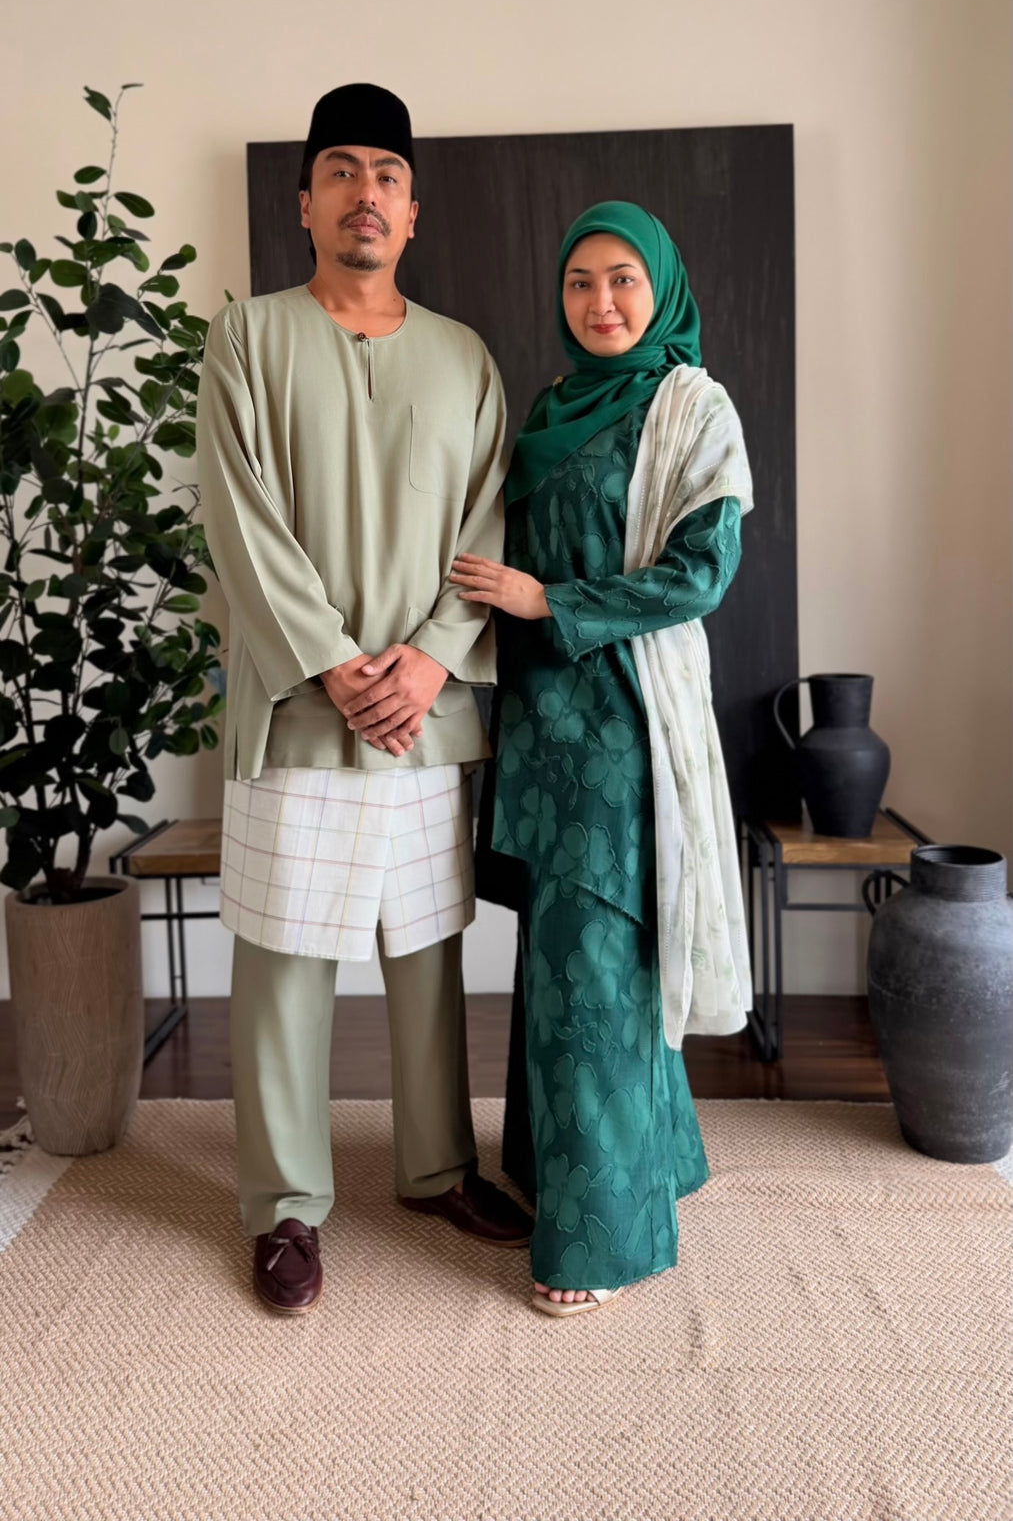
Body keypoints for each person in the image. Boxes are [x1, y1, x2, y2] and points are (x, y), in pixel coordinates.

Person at [196, 82, 531, 1315]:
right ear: (303, 202)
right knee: (284, 951)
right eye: (340, 170)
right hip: (299, 703)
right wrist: (333, 661)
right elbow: (238, 516)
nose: (365, 193)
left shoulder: (463, 357)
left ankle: (437, 1167)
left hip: (425, 710)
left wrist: (432, 659)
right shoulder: (247, 338)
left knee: (426, 945)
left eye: (386, 174)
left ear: (412, 208)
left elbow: (487, 519)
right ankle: (284, 1204)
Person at [455, 200, 754, 1318]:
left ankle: (600, 1242)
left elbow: (699, 575)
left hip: (623, 727)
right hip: (541, 725)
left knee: (594, 964)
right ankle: (622, 1168)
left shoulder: (692, 406)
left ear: (660, 286)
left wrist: (549, 602)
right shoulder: (549, 406)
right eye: (580, 282)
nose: (601, 302)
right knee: (562, 961)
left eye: (623, 279)